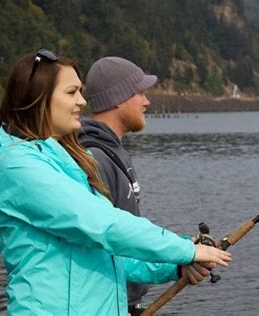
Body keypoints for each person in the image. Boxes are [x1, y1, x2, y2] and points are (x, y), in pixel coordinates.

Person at [0, 49, 232, 315]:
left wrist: (174, 266)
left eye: (80, 92)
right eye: (71, 93)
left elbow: (109, 256)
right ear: (37, 98)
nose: (82, 101)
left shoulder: (67, 162)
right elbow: (103, 224)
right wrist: (185, 250)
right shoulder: (19, 166)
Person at [78, 56, 157, 314]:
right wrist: (179, 262)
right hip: (110, 304)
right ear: (119, 99)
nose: (147, 101)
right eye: (141, 93)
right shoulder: (95, 159)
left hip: (126, 302)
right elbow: (109, 244)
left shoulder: (114, 150)